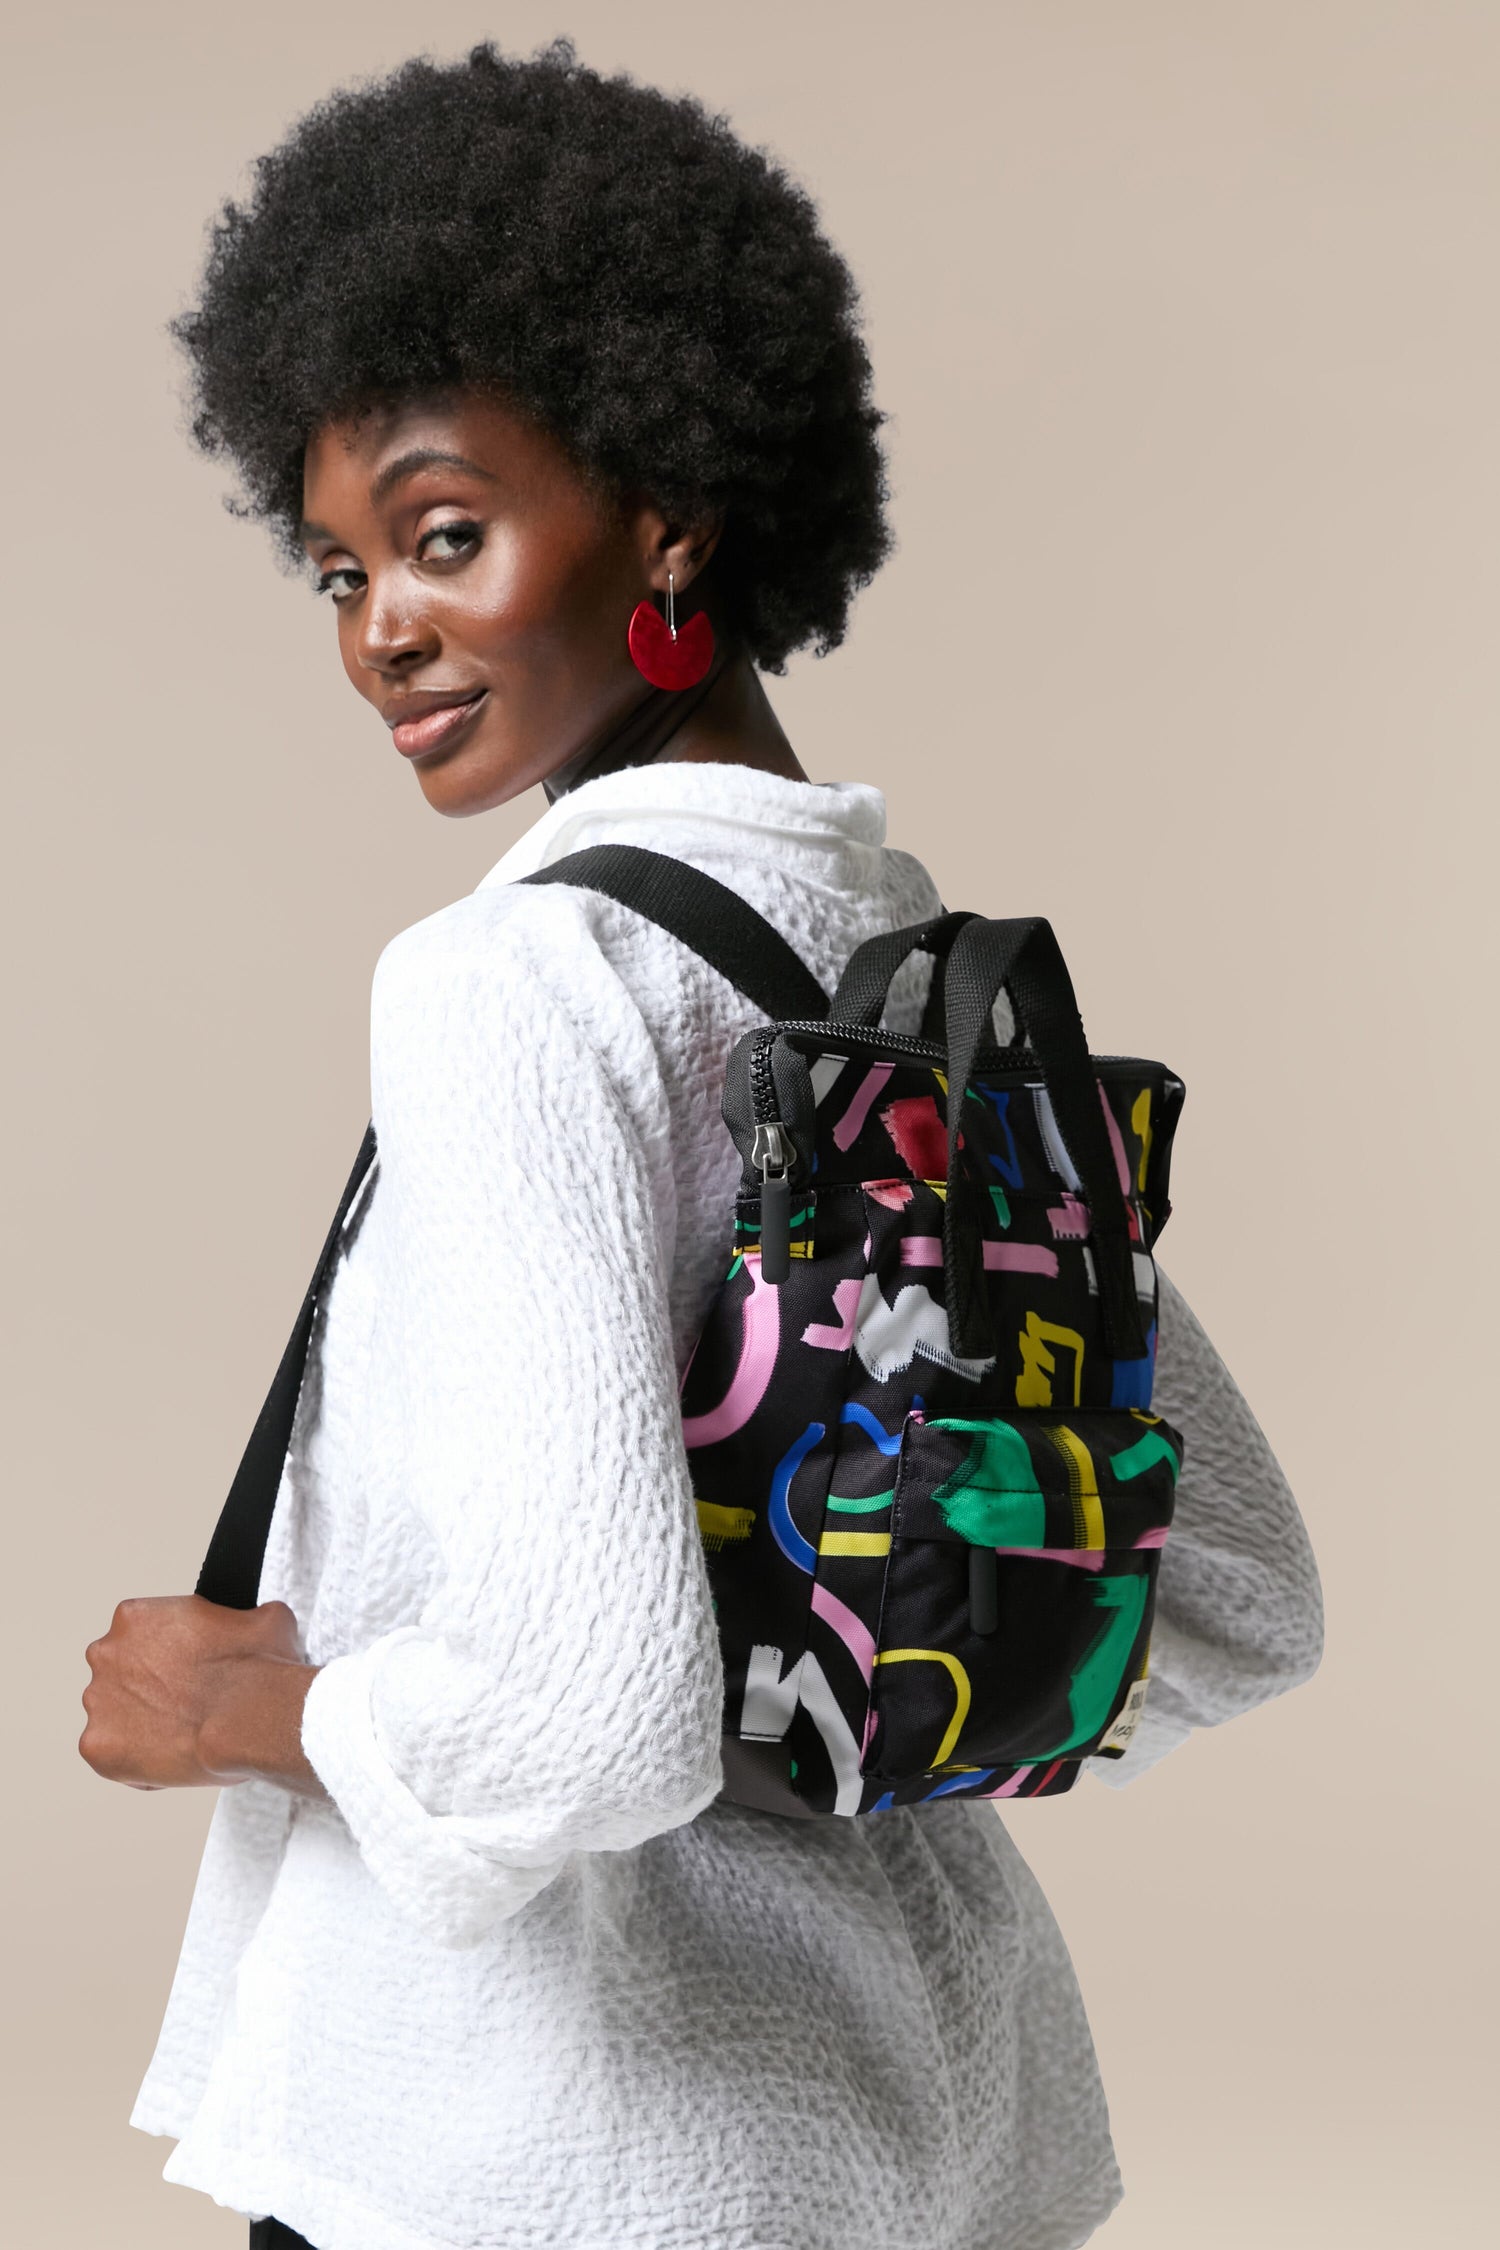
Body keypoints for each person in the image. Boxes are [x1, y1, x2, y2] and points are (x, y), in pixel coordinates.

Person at [79, 40, 1324, 2250]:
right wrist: (846, 1628)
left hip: (564, 2142)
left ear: (668, 511)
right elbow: (1229, 1597)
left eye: (446, 534)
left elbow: (592, 1724)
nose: (383, 629)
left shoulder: (517, 984)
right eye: (343, 566)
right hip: (931, 2117)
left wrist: (274, 1714)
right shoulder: (910, 974)